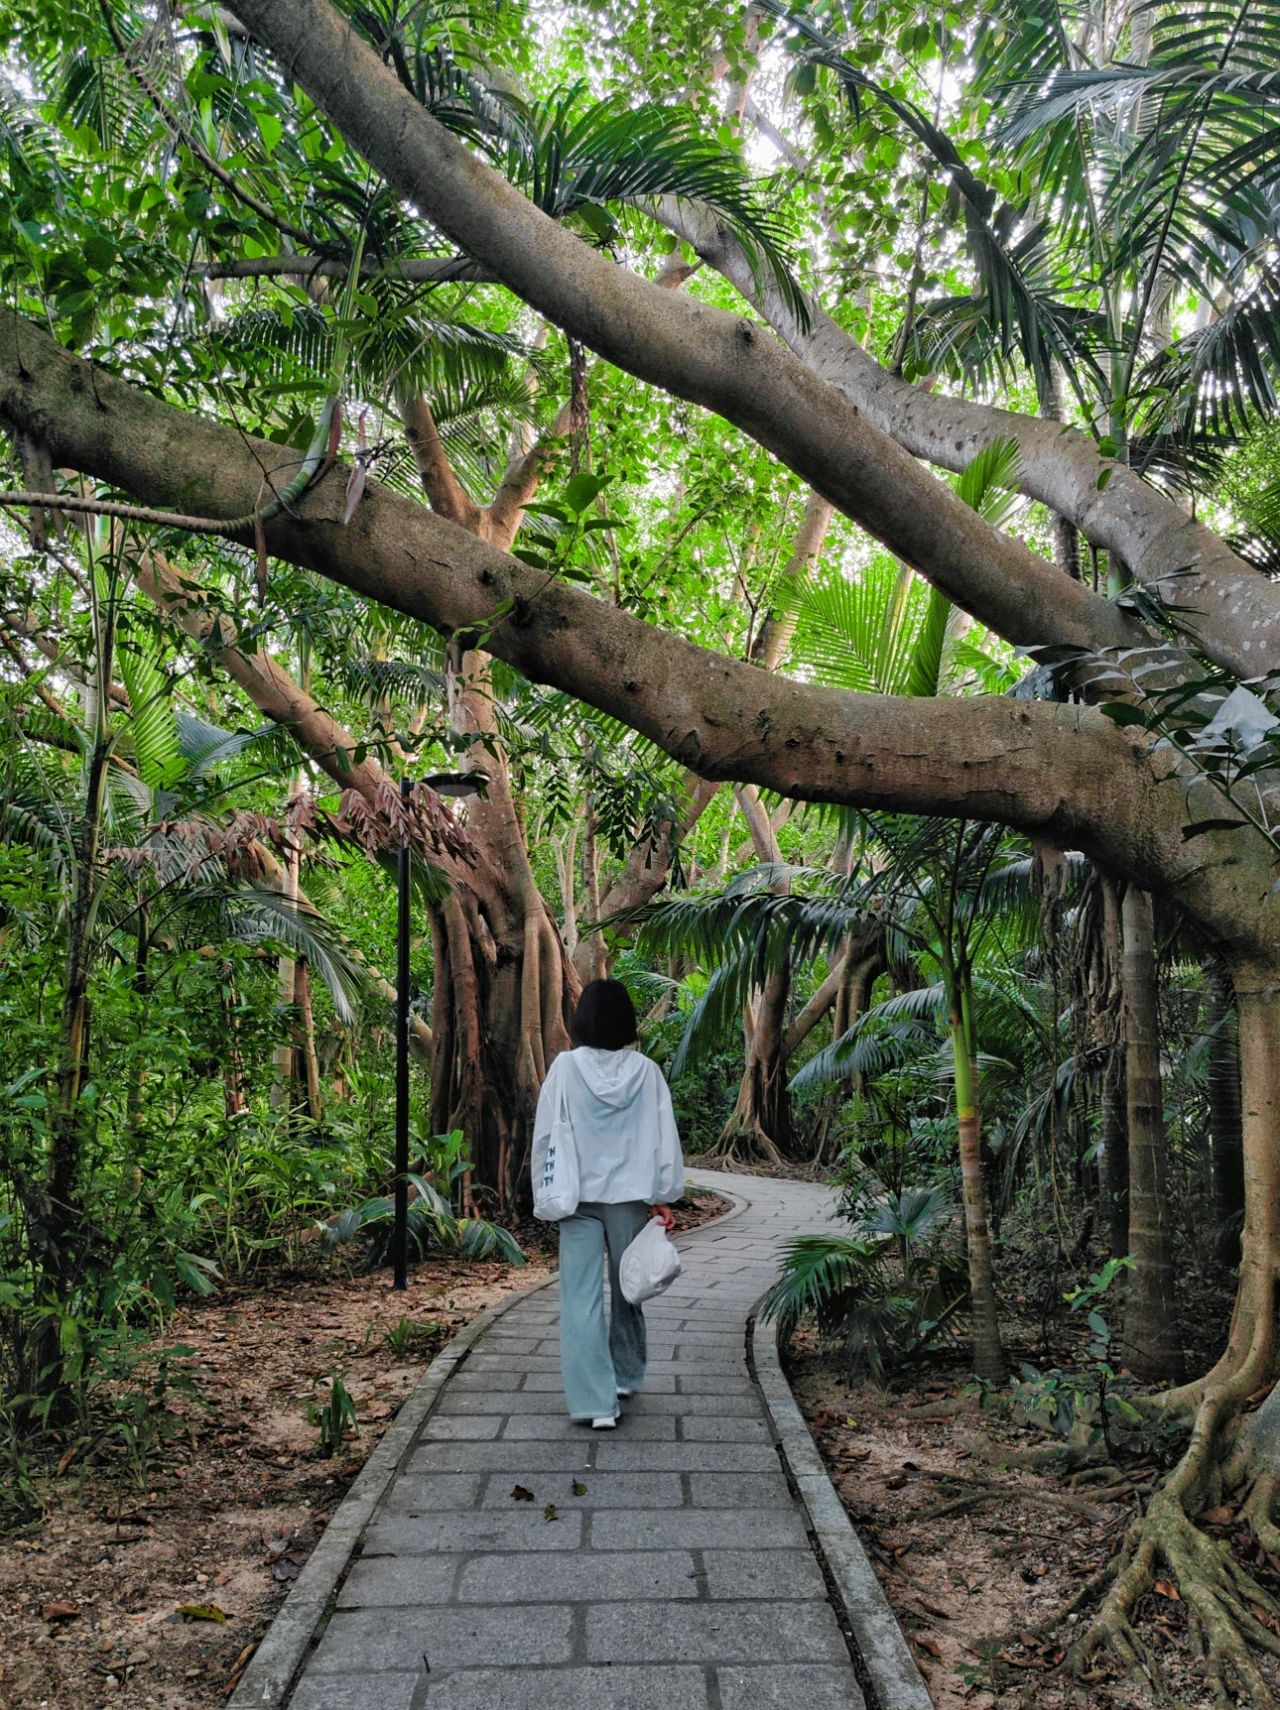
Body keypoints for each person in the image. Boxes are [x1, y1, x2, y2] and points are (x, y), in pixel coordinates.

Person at [530, 978, 684, 1428]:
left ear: (581, 1022)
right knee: (628, 1289)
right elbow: (663, 1139)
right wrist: (662, 1196)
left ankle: (594, 1404)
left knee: (579, 1300)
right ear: (627, 1023)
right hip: (629, 1200)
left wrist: (544, 1189)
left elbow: (545, 1133)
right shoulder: (647, 1072)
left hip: (576, 1198)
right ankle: (626, 1376)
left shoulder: (564, 1068)